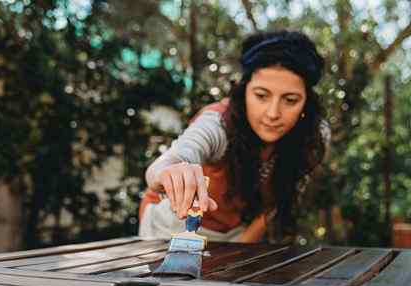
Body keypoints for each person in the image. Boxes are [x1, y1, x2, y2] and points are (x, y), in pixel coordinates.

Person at [139, 29, 328, 243]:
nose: (273, 113)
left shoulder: (314, 137)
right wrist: (169, 170)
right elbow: (176, 156)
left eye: (290, 100)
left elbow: (278, 202)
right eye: (261, 96)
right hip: (171, 230)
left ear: (306, 103)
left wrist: (240, 249)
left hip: (235, 235)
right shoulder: (218, 123)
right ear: (244, 91)